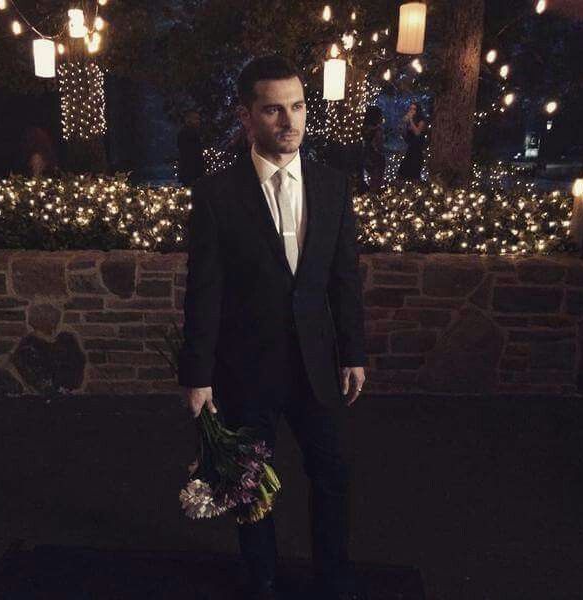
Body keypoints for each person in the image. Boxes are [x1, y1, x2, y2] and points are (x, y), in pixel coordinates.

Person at [177, 55, 368, 600]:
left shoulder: (333, 186)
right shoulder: (215, 195)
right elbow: (204, 292)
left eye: (298, 106)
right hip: (245, 367)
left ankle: (334, 577)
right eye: (274, 110)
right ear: (246, 116)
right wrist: (199, 375)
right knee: (249, 484)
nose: (291, 121)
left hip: (316, 363)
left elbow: (344, 278)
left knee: (332, 475)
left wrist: (354, 352)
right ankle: (261, 578)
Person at [397, 101, 427, 181]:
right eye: (410, 109)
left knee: (414, 174)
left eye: (414, 109)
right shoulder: (409, 122)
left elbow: (417, 133)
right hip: (410, 149)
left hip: (417, 151)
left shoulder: (421, 121)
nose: (411, 111)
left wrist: (411, 120)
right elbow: (406, 137)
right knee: (403, 173)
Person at [360, 105, 386, 192]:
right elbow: (379, 145)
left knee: (371, 179)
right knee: (376, 181)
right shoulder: (378, 130)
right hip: (376, 156)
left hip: (366, 155)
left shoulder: (364, 129)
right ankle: (374, 198)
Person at [177, 110, 205, 186]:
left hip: (193, 171)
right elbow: (189, 154)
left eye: (198, 119)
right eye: (195, 119)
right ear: (188, 120)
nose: (198, 121)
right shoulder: (186, 134)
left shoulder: (194, 133)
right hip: (190, 171)